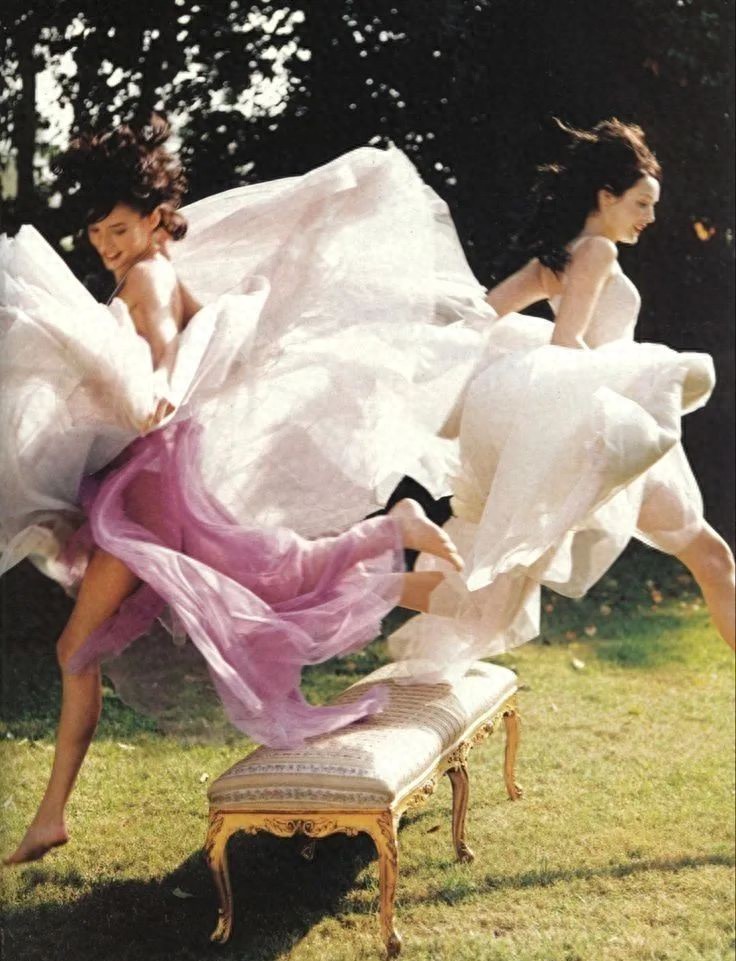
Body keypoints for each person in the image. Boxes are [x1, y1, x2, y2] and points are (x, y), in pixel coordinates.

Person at [0, 115, 491, 865]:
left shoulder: (148, 277)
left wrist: (158, 385)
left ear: (157, 219)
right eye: (97, 234)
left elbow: (166, 352)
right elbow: (195, 346)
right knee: (257, 580)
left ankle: (50, 815)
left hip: (147, 491)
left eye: (120, 229)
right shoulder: (160, 274)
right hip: (150, 479)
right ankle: (392, 533)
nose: (107, 246)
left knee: (82, 645)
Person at [389, 118, 734, 678]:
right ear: (606, 196)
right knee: (711, 560)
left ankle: (356, 581)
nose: (650, 217)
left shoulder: (554, 260)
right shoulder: (597, 250)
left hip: (596, 436)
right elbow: (567, 343)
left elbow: (483, 315)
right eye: (642, 203)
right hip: (595, 434)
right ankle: (354, 582)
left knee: (488, 599)